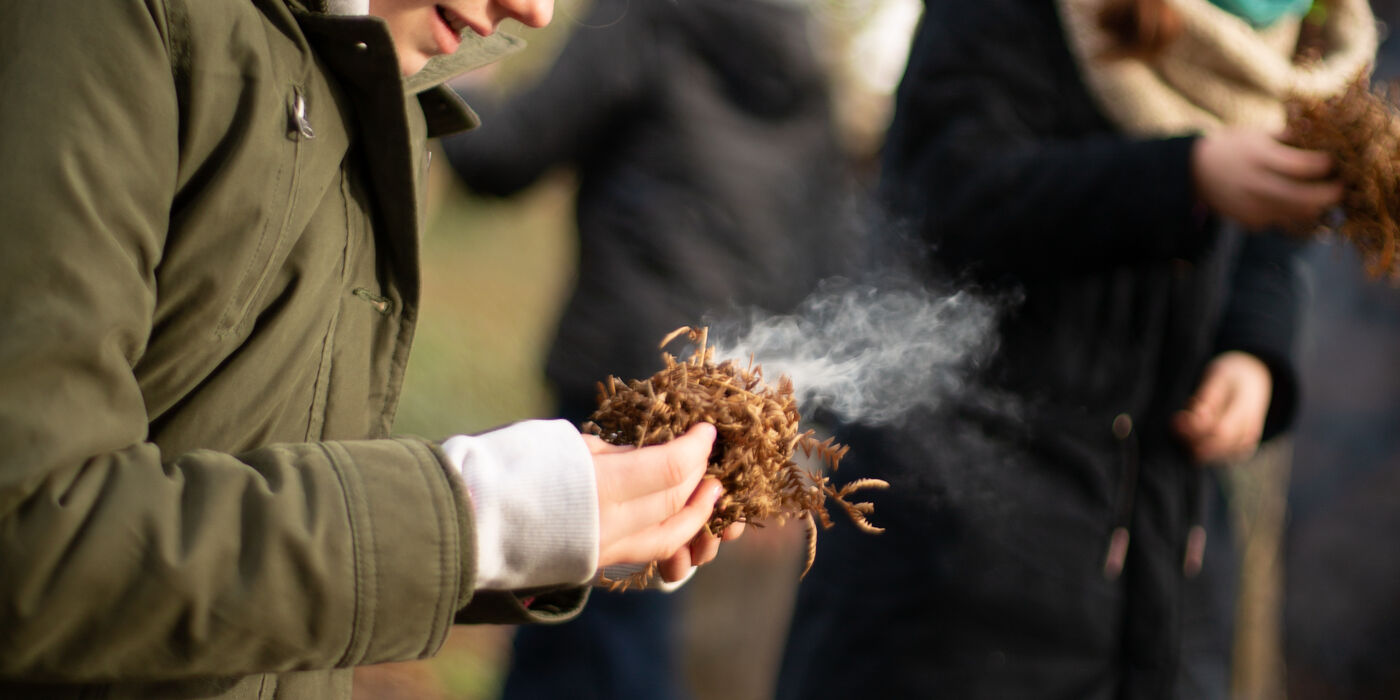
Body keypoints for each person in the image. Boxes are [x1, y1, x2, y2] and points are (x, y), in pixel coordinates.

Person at [0, 1, 744, 698]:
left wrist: (533, 527)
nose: (535, 12)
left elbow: (250, 478)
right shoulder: (106, 25)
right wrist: (476, 518)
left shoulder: (387, 86)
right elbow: (36, 544)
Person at [776, 0, 1376, 698]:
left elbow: (1272, 243)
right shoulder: (1009, 17)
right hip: (960, 571)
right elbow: (945, 197)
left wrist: (1253, 351)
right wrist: (1181, 177)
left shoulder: (1294, 44)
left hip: (1166, 562)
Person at [439, 0, 853, 696]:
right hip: (732, 401)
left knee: (608, 634)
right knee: (564, 626)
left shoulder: (646, 15)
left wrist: (456, 78)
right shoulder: (803, 53)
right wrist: (792, 432)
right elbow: (828, 246)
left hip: (627, 384)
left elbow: (505, 156)